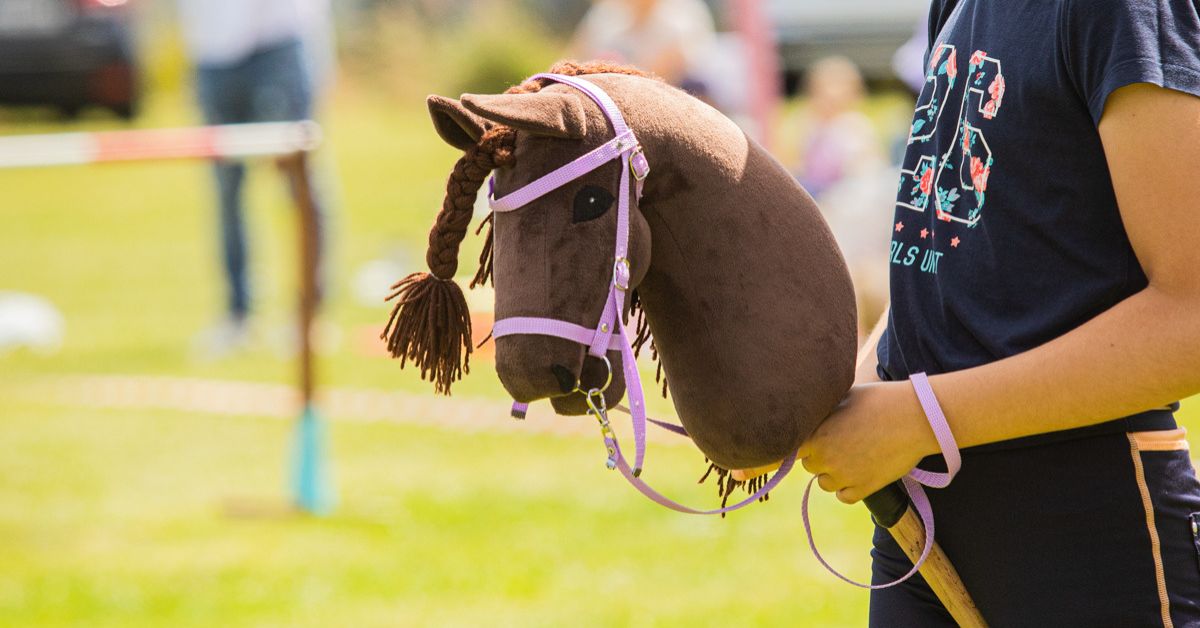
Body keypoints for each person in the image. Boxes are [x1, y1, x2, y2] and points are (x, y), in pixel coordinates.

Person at [744, 0, 1200, 624]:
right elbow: (938, 252)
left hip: (1082, 530)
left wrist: (923, 418)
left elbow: (1191, 318)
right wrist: (843, 392)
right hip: (921, 526)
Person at [176, 0, 333, 356]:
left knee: (302, 183)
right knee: (225, 190)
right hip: (211, 51)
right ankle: (237, 317)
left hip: (278, 41)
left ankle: (309, 316)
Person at [567, 0, 715, 88]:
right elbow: (577, 56)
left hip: (676, 92)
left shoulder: (682, 13)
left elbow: (681, 64)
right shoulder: (605, 15)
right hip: (615, 92)